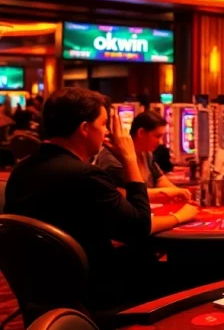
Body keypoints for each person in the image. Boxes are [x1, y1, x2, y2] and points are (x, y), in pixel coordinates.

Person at [4, 87, 198, 305]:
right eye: (104, 124)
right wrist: (129, 159)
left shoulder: (21, 170)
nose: (107, 132)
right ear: (85, 128)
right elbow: (138, 227)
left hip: (42, 291)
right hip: (96, 293)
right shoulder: (86, 175)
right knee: (194, 275)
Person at [94, 110, 193, 201]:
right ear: (141, 132)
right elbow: (124, 194)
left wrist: (179, 193)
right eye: (157, 136)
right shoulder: (113, 154)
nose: (160, 142)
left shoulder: (147, 153)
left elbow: (159, 179)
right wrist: (172, 192)